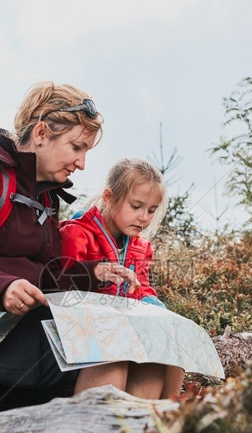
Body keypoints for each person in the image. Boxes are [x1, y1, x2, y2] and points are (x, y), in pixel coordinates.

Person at [0, 81, 140, 391]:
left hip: (21, 323)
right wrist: (4, 289)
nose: (82, 163)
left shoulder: (45, 195)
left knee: (144, 355)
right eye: (76, 148)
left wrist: (95, 272)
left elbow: (48, 275)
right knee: (108, 353)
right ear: (40, 134)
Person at [59, 157, 185, 399]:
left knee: (168, 354)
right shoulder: (76, 234)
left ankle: (159, 421)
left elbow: (142, 290)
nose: (144, 218)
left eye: (151, 210)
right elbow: (64, 285)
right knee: (131, 353)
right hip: (87, 334)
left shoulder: (141, 247)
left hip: (126, 332)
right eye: (136, 206)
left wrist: (156, 310)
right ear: (109, 197)